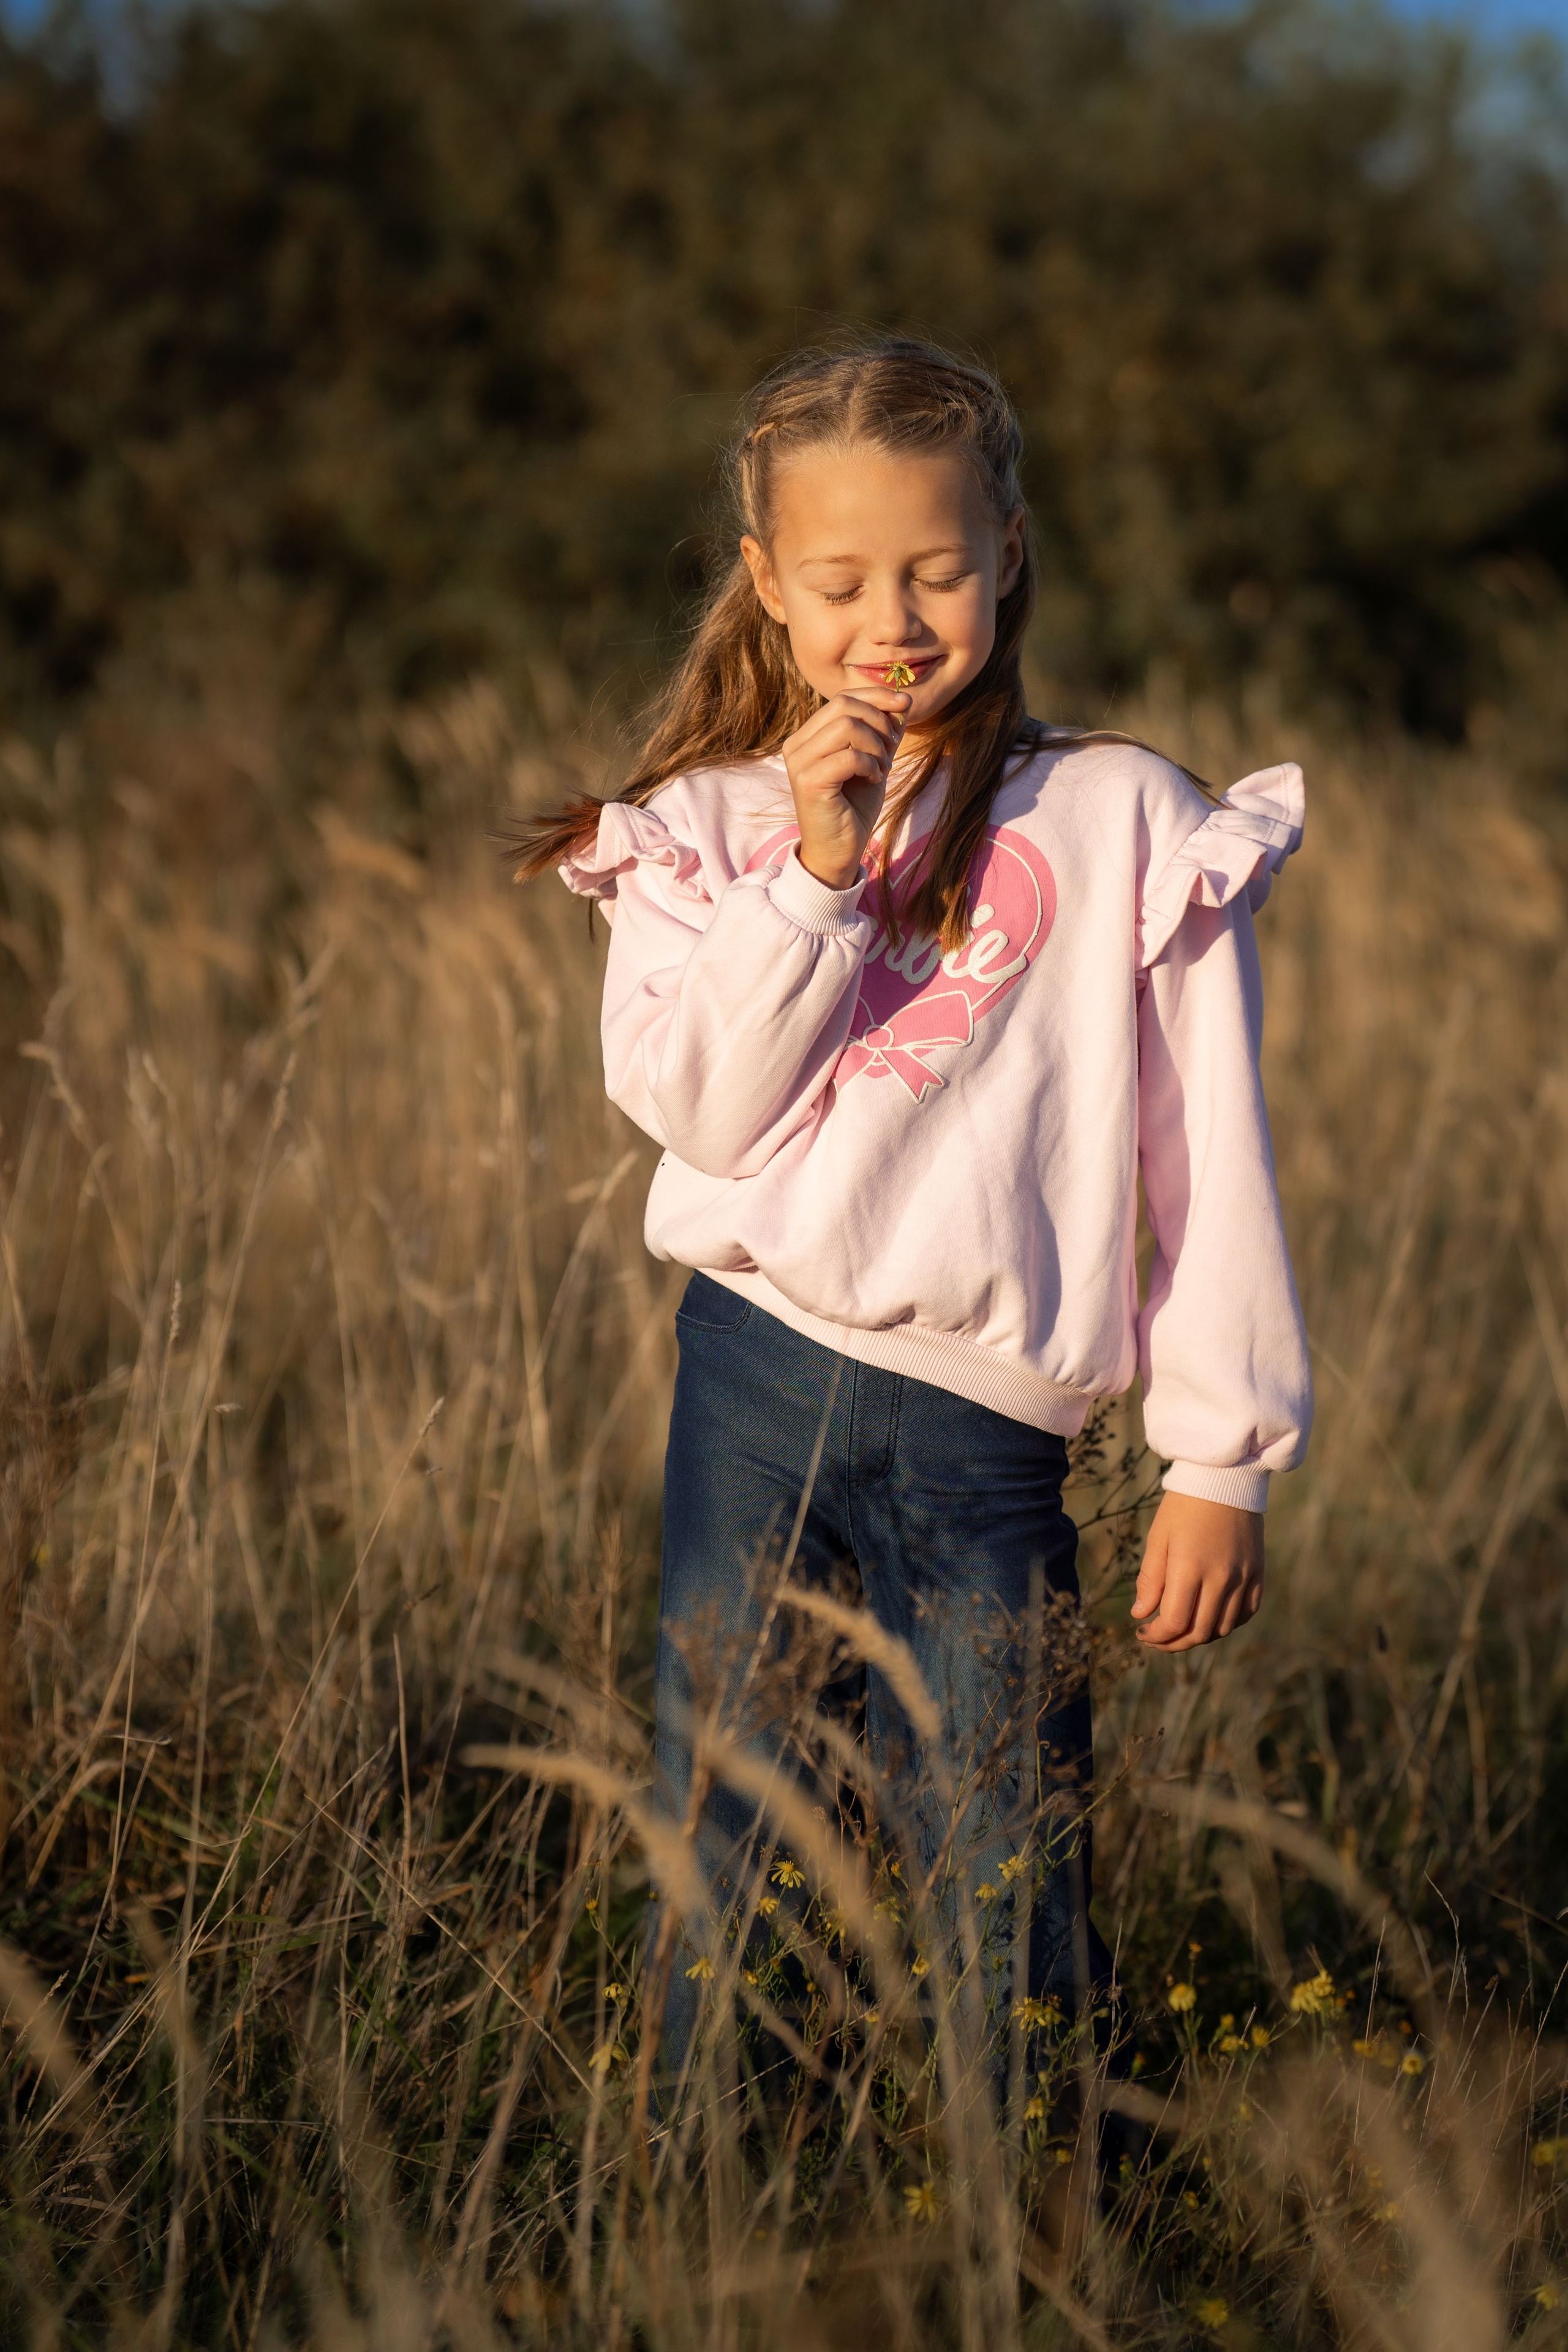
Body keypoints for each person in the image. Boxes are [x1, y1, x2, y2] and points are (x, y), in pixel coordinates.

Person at [510, 337, 1311, 2103]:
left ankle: (1032, 2202)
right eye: (844, 579)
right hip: (753, 1389)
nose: (894, 617)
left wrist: (1222, 1457)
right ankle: (727, 2187)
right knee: (737, 1806)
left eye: (938, 568)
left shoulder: (1119, 819)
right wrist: (810, 870)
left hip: (985, 1435)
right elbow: (710, 1113)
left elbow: (1215, 1157)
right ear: (768, 585)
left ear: (1009, 550)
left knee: (1000, 1828)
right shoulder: (706, 832)